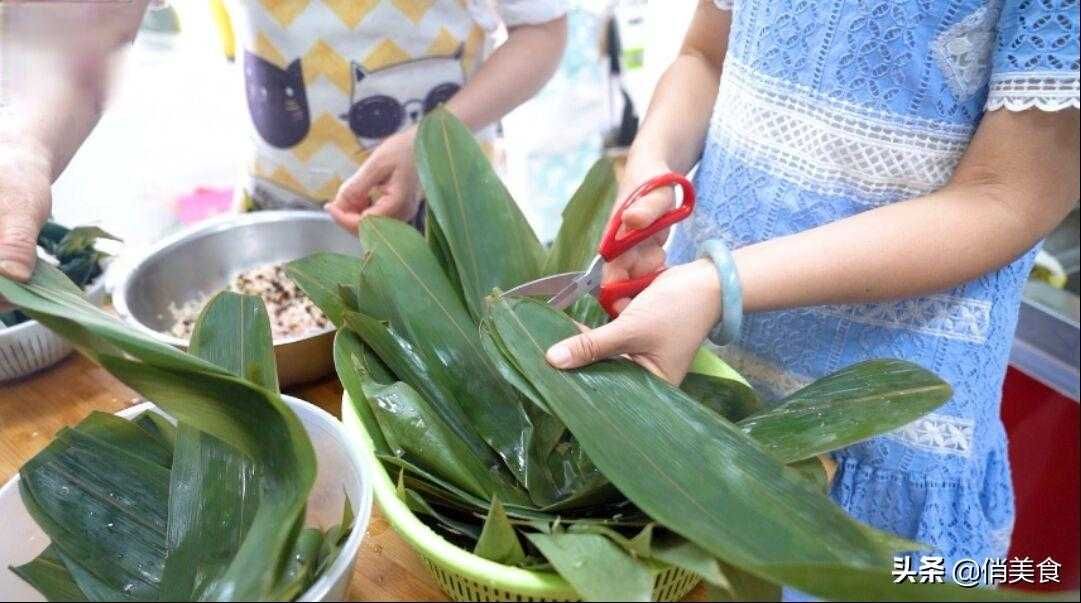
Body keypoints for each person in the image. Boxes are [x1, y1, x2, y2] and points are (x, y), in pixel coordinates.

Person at [544, 0, 1080, 585]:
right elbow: (704, 57)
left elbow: (1009, 198)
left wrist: (721, 285)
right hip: (698, 375)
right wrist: (651, 177)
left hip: (882, 434)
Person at [0, 0, 567, 286]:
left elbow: (542, 31)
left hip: (449, 218)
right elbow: (96, 36)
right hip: (279, 222)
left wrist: (429, 143)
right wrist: (26, 151)